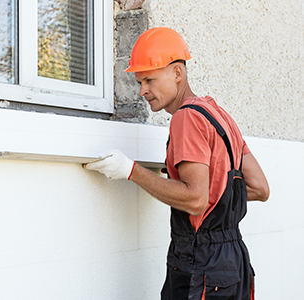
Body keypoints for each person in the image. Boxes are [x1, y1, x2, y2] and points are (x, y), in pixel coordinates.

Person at [83, 27, 269, 300]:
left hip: (202, 263)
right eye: (139, 82)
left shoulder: (187, 118)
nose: (142, 91)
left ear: (177, 73)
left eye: (149, 80)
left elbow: (196, 200)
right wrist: (198, 186)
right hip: (233, 262)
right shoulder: (219, 116)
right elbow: (260, 188)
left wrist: (131, 171)